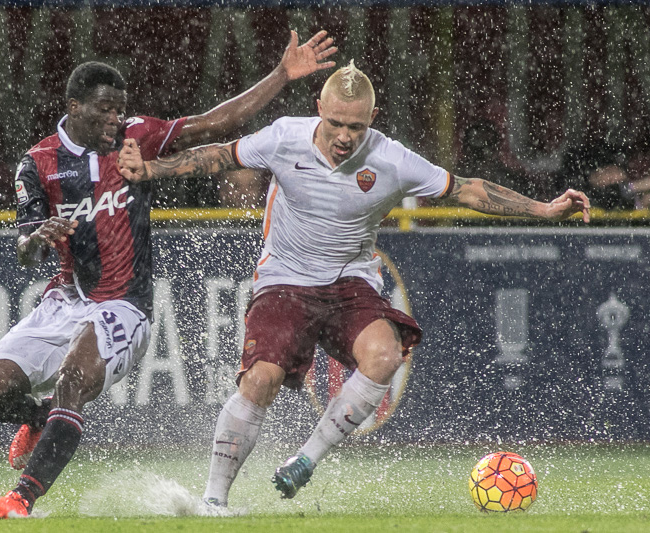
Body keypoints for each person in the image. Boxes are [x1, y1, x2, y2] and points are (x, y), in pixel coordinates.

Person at [118, 60, 591, 508]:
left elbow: (466, 188)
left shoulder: (392, 158)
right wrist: (151, 169)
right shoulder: (285, 137)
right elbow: (219, 156)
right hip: (284, 278)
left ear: (373, 119)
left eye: (357, 127)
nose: (345, 136)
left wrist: (543, 209)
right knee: (261, 378)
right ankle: (214, 501)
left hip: (349, 280)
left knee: (385, 357)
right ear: (319, 110)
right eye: (337, 123)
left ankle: (306, 459)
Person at [0, 30, 337, 519]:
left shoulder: (137, 136)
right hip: (64, 301)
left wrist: (281, 74)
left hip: (125, 305)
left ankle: (22, 498)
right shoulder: (37, 164)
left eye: (120, 109)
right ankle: (38, 420)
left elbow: (214, 124)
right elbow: (24, 250)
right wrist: (37, 238)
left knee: (73, 379)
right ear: (73, 107)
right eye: (103, 110)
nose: (115, 120)